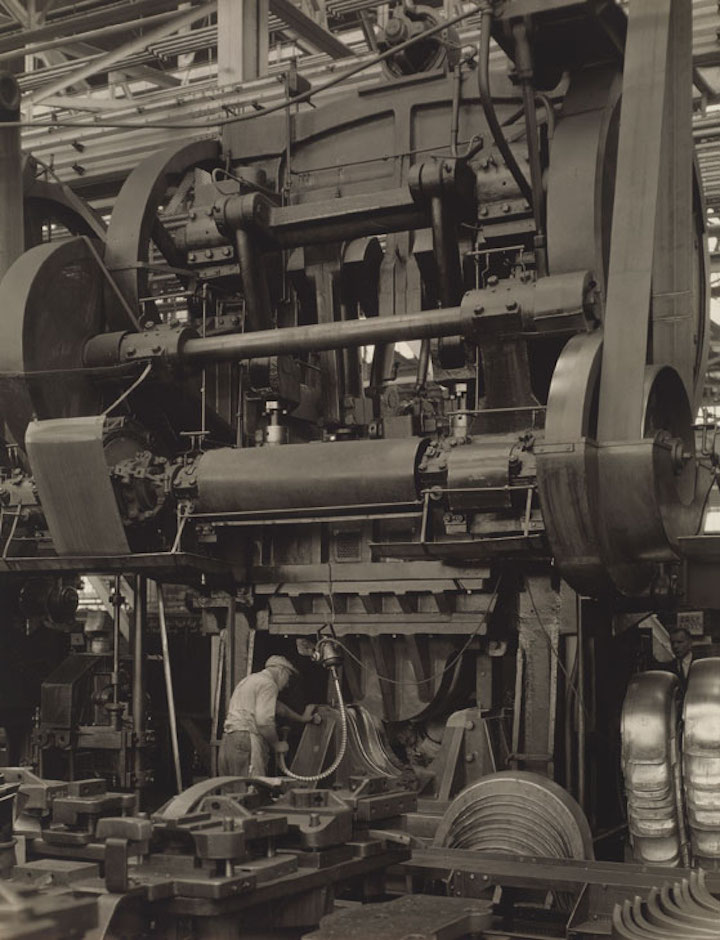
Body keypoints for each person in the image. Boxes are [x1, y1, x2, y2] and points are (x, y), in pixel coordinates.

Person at [218, 655, 316, 777]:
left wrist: (302, 718)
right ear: (281, 671)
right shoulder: (269, 684)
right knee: (250, 788)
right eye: (288, 678)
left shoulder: (251, 680)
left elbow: (278, 708)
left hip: (229, 739)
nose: (287, 685)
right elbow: (264, 722)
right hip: (246, 739)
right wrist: (277, 745)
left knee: (232, 789)